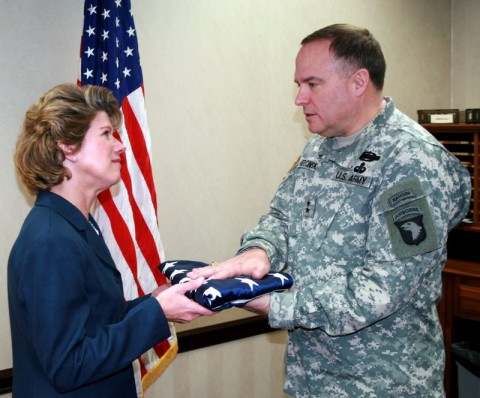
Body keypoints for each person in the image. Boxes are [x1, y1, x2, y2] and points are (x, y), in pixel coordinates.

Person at [189, 24, 471, 397]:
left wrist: (273, 304)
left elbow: (381, 289)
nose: (299, 99)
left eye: (312, 84)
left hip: (383, 385)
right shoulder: (318, 149)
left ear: (358, 82)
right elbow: (281, 218)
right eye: (298, 85)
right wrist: (259, 252)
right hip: (311, 379)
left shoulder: (411, 160)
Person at [8, 83, 214, 397]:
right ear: (68, 148)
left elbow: (96, 322)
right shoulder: (51, 239)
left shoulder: (76, 224)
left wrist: (154, 301)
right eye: (106, 134)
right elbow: (69, 364)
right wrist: (157, 314)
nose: (120, 146)